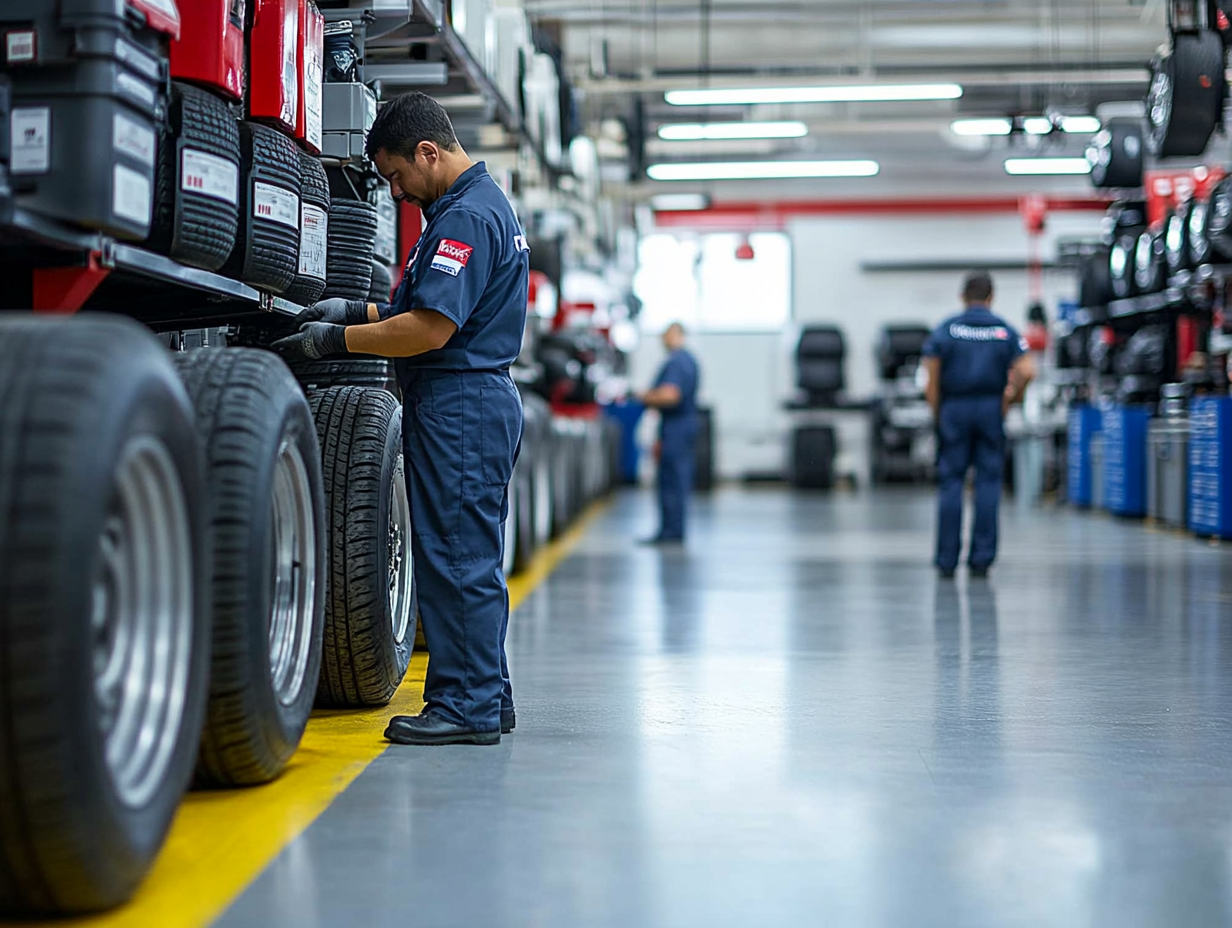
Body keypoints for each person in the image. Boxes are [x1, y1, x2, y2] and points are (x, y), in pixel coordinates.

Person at [272, 92, 528, 745]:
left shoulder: (466, 218)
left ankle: (464, 707)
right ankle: (486, 694)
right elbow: (418, 310)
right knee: (468, 552)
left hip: (460, 402)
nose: (395, 192)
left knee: (454, 556)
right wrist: (349, 312)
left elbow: (431, 328)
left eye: (395, 176)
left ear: (428, 152)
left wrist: (335, 343)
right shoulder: (467, 209)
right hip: (467, 400)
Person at [922, 272, 1035, 580]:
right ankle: (981, 560)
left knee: (951, 482)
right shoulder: (1003, 329)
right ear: (991, 297)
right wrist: (1009, 401)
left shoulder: (947, 329)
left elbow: (931, 377)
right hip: (989, 408)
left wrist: (938, 412)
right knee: (987, 482)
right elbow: (1027, 370)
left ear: (963, 297)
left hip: (954, 408)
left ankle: (946, 560)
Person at [637, 323, 700, 545]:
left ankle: (672, 532)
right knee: (674, 478)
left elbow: (671, 395)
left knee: (672, 479)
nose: (662, 341)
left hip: (676, 426)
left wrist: (643, 396)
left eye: (666, 336)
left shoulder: (677, 361)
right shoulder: (687, 360)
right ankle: (671, 530)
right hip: (679, 425)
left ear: (676, 335)